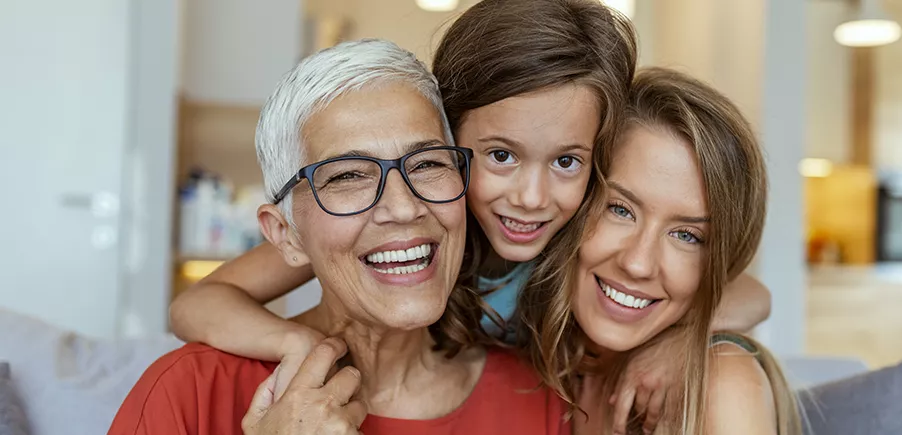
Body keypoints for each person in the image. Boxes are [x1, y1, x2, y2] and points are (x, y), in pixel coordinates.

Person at [168, 0, 774, 425]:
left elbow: (748, 295)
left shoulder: (582, 243)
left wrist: (676, 341)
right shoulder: (406, 227)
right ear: (443, 145)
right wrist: (305, 347)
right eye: (501, 155)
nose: (532, 198)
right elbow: (197, 303)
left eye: (567, 162)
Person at [109, 39, 566, 435]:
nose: (405, 207)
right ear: (285, 234)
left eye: (427, 164)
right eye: (348, 176)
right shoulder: (188, 390)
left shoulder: (541, 400)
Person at [517, 67, 802, 435]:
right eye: (620, 210)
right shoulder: (539, 352)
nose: (638, 263)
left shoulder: (723, 385)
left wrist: (695, 335)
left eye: (686, 235)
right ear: (575, 201)